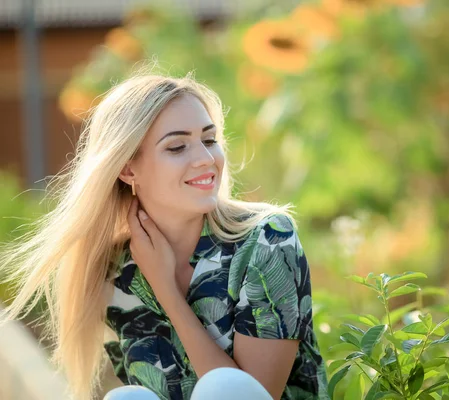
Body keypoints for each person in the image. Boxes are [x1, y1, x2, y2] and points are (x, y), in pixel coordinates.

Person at [0, 74, 329, 400]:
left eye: (209, 139)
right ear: (128, 170)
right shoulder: (113, 270)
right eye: (177, 146)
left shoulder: (267, 239)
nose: (205, 158)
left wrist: (165, 289)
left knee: (223, 386)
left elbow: (251, 394)